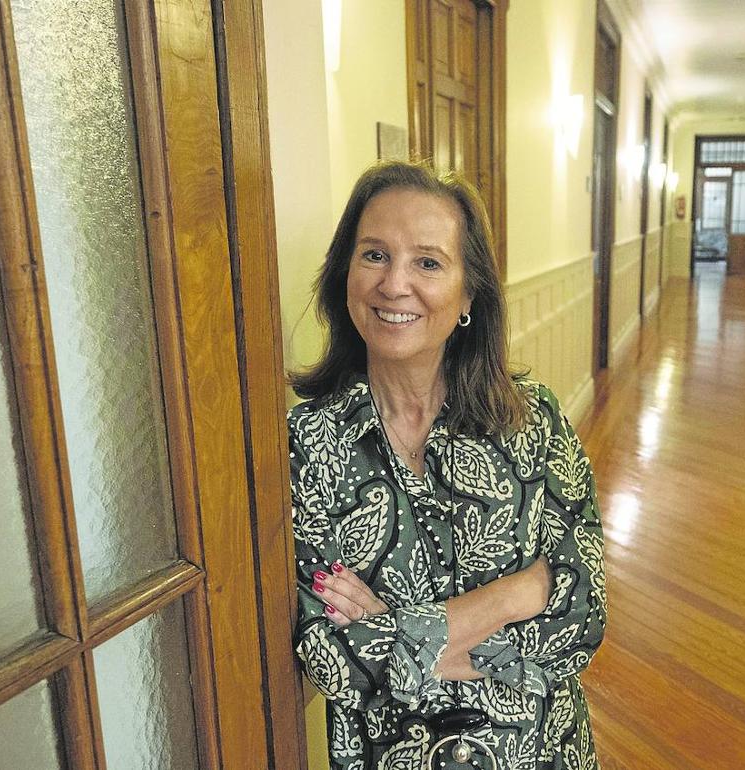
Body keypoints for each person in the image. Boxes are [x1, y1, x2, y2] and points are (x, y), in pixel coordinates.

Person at [287, 160, 607, 769]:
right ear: (344, 275)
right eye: (374, 255)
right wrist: (517, 594)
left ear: (467, 295)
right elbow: (331, 657)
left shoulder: (531, 421)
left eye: (428, 262)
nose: (394, 284)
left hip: (539, 753)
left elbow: (582, 611)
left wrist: (396, 628)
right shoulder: (306, 445)